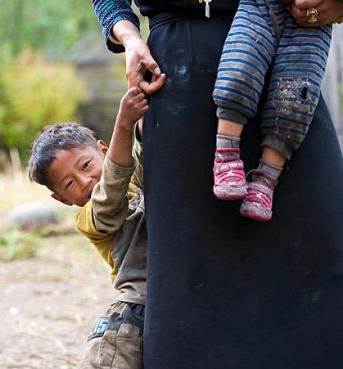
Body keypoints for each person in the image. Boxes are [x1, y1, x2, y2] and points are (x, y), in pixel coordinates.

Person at [92, 0, 343, 368]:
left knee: (325, 252)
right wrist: (128, 37)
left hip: (286, 65)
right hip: (176, 74)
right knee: (191, 290)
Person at [28, 86, 157, 369]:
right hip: (133, 318)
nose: (85, 181)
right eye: (69, 184)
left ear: (104, 151)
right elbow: (109, 197)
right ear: (61, 199)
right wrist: (124, 123)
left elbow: (150, 155)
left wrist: (144, 118)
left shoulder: (136, 182)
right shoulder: (88, 218)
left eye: (86, 165)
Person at [211, 1, 332, 222]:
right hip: (258, 5)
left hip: (313, 23)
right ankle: (226, 156)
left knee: (295, 100)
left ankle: (266, 179)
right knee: (239, 69)